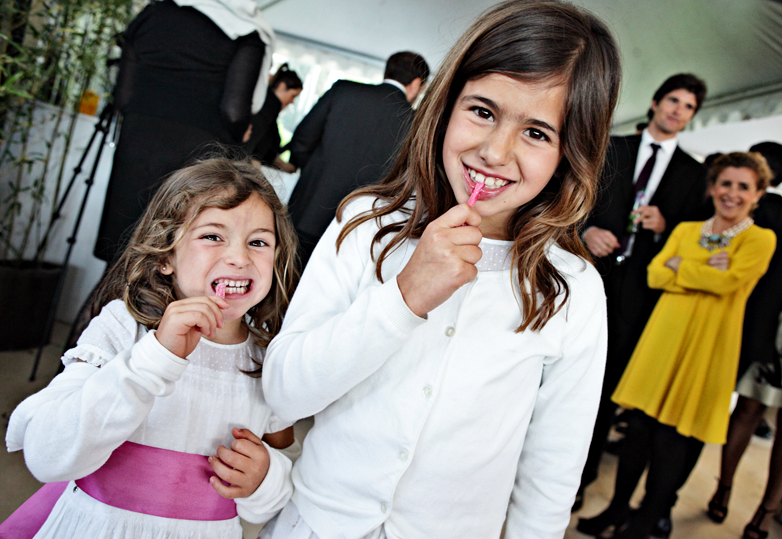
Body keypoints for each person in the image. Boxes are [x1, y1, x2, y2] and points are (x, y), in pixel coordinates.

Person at [260, 1, 621, 537]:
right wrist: (404, 295)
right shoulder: (366, 224)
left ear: (571, 152)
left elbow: (551, 470)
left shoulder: (574, 290)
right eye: (483, 112)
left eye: (537, 133)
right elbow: (284, 393)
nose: (494, 151)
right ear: (445, 105)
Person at [0, 158, 299, 539]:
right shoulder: (123, 328)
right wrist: (154, 359)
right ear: (166, 255)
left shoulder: (271, 359)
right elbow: (46, 455)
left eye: (258, 242)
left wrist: (265, 478)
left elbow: (287, 489)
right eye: (212, 236)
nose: (239, 258)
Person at [578, 152, 776, 539]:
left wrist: (681, 267)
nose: (732, 193)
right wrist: (702, 270)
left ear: (757, 194)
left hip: (708, 346)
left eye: (744, 186)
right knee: (638, 428)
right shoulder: (686, 229)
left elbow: (729, 283)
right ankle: (617, 508)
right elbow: (654, 274)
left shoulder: (760, 239)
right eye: (725, 183)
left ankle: (644, 522)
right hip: (663, 338)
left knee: (673, 439)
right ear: (712, 187)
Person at [576, 73, 709, 509]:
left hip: (640, 296)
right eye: (673, 100)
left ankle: (581, 477)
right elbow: (574, 199)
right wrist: (586, 230)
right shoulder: (612, 147)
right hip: (588, 275)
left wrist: (665, 227)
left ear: (692, 116)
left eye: (687, 106)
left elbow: (693, 238)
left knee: (606, 390)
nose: (677, 110)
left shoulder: (694, 173)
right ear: (655, 102)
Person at [95, 0, 275, 265]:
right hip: (194, 157)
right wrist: (242, 131)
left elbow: (123, 98)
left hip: (137, 145)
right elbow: (234, 112)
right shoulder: (245, 30)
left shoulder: (152, 14)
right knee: (164, 262)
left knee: (121, 253)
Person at [285, 51, 430, 269]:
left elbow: (301, 141)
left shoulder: (343, 91)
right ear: (417, 84)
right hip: (356, 233)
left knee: (283, 280)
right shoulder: (415, 123)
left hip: (307, 214)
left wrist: (317, 174)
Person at [708, 141, 782, 539]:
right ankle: (724, 486)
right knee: (749, 408)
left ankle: (767, 510)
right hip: (771, 324)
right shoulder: (769, 210)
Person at [244, 63, 303, 172]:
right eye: (293, 96)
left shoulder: (270, 108)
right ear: (282, 86)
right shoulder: (269, 107)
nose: (292, 101)